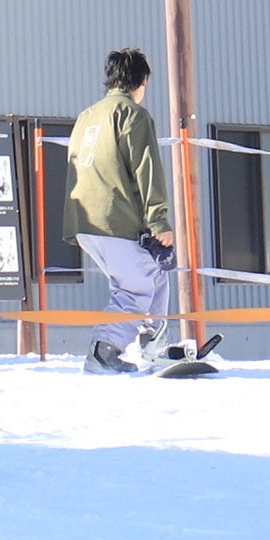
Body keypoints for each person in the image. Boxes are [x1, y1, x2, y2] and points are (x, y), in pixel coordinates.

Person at [65, 48, 200, 373]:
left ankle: (154, 344)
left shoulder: (86, 116)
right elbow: (146, 169)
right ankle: (103, 351)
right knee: (136, 287)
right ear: (143, 81)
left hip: (84, 221)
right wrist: (158, 220)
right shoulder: (132, 115)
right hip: (115, 219)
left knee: (154, 275)